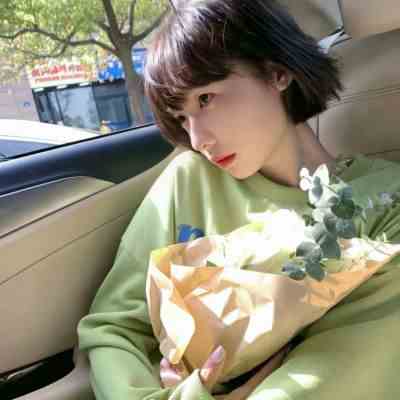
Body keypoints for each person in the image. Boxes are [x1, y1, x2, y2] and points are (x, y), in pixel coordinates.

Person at [77, 1, 400, 399]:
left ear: (277, 72)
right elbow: (113, 328)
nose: (198, 139)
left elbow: (349, 368)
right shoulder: (188, 181)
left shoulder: (386, 202)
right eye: (181, 118)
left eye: (205, 99)